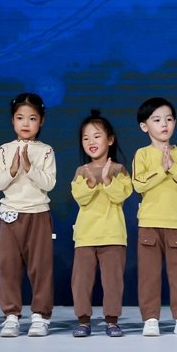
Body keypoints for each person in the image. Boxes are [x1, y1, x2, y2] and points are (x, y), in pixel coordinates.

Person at [132, 97, 177, 337]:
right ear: (144, 126)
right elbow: (138, 183)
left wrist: (173, 166)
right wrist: (161, 169)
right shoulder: (142, 154)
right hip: (149, 225)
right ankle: (150, 319)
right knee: (149, 277)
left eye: (169, 119)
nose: (164, 124)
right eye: (157, 120)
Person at [0, 93, 56, 337]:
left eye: (32, 118)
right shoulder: (4, 150)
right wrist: (13, 170)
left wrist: (29, 168)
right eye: (20, 118)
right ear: (12, 120)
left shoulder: (46, 151)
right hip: (10, 215)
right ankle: (11, 316)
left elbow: (49, 183)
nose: (25, 123)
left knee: (41, 267)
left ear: (41, 121)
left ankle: (40, 316)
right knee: (8, 267)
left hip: (38, 214)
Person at [70, 109, 132, 338]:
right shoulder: (81, 171)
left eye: (97, 136)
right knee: (81, 282)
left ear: (110, 140)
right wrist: (89, 184)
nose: (91, 142)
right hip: (85, 236)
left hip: (113, 235)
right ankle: (83, 321)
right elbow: (80, 198)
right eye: (86, 138)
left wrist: (107, 180)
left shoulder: (119, 169)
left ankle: (112, 321)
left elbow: (121, 195)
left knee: (113, 282)